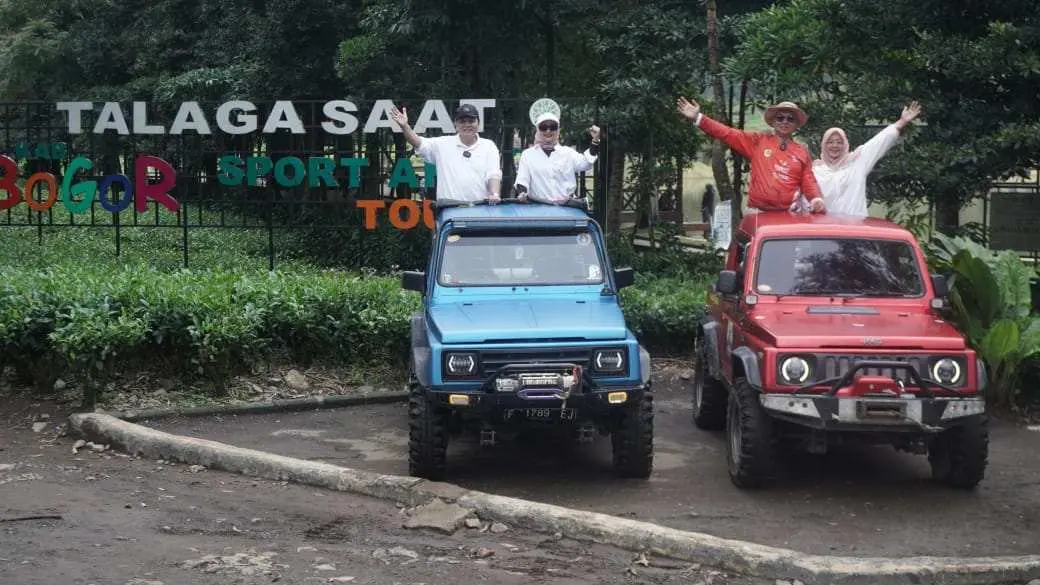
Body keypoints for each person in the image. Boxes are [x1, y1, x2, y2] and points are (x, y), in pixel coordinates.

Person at [676, 97, 825, 213]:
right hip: (758, 212)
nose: (785, 121)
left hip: (791, 213)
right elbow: (727, 133)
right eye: (780, 118)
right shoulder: (758, 141)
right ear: (773, 121)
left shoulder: (801, 151)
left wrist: (816, 198)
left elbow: (808, 179)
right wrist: (699, 118)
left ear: (796, 124)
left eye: (790, 118)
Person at [814, 102, 922, 217]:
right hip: (822, 229)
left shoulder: (856, 162)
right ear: (824, 145)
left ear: (845, 145)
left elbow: (878, 142)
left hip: (853, 228)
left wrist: (902, 121)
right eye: (830, 142)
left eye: (839, 142)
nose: (835, 146)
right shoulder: (815, 170)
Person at [390, 103, 502, 203]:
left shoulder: (489, 146)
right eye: (462, 121)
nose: (467, 125)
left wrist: (494, 194)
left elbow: (493, 174)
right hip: (449, 211)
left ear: (478, 123)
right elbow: (418, 143)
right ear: (456, 124)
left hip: (480, 209)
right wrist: (405, 126)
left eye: (471, 121)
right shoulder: (442, 144)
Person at [513, 112, 601, 206]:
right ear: (537, 130)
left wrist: (595, 141)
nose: (548, 131)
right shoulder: (528, 155)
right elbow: (522, 179)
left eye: (553, 127)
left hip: (567, 208)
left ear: (558, 130)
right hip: (538, 208)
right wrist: (522, 192)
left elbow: (586, 163)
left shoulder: (567, 153)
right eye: (543, 127)